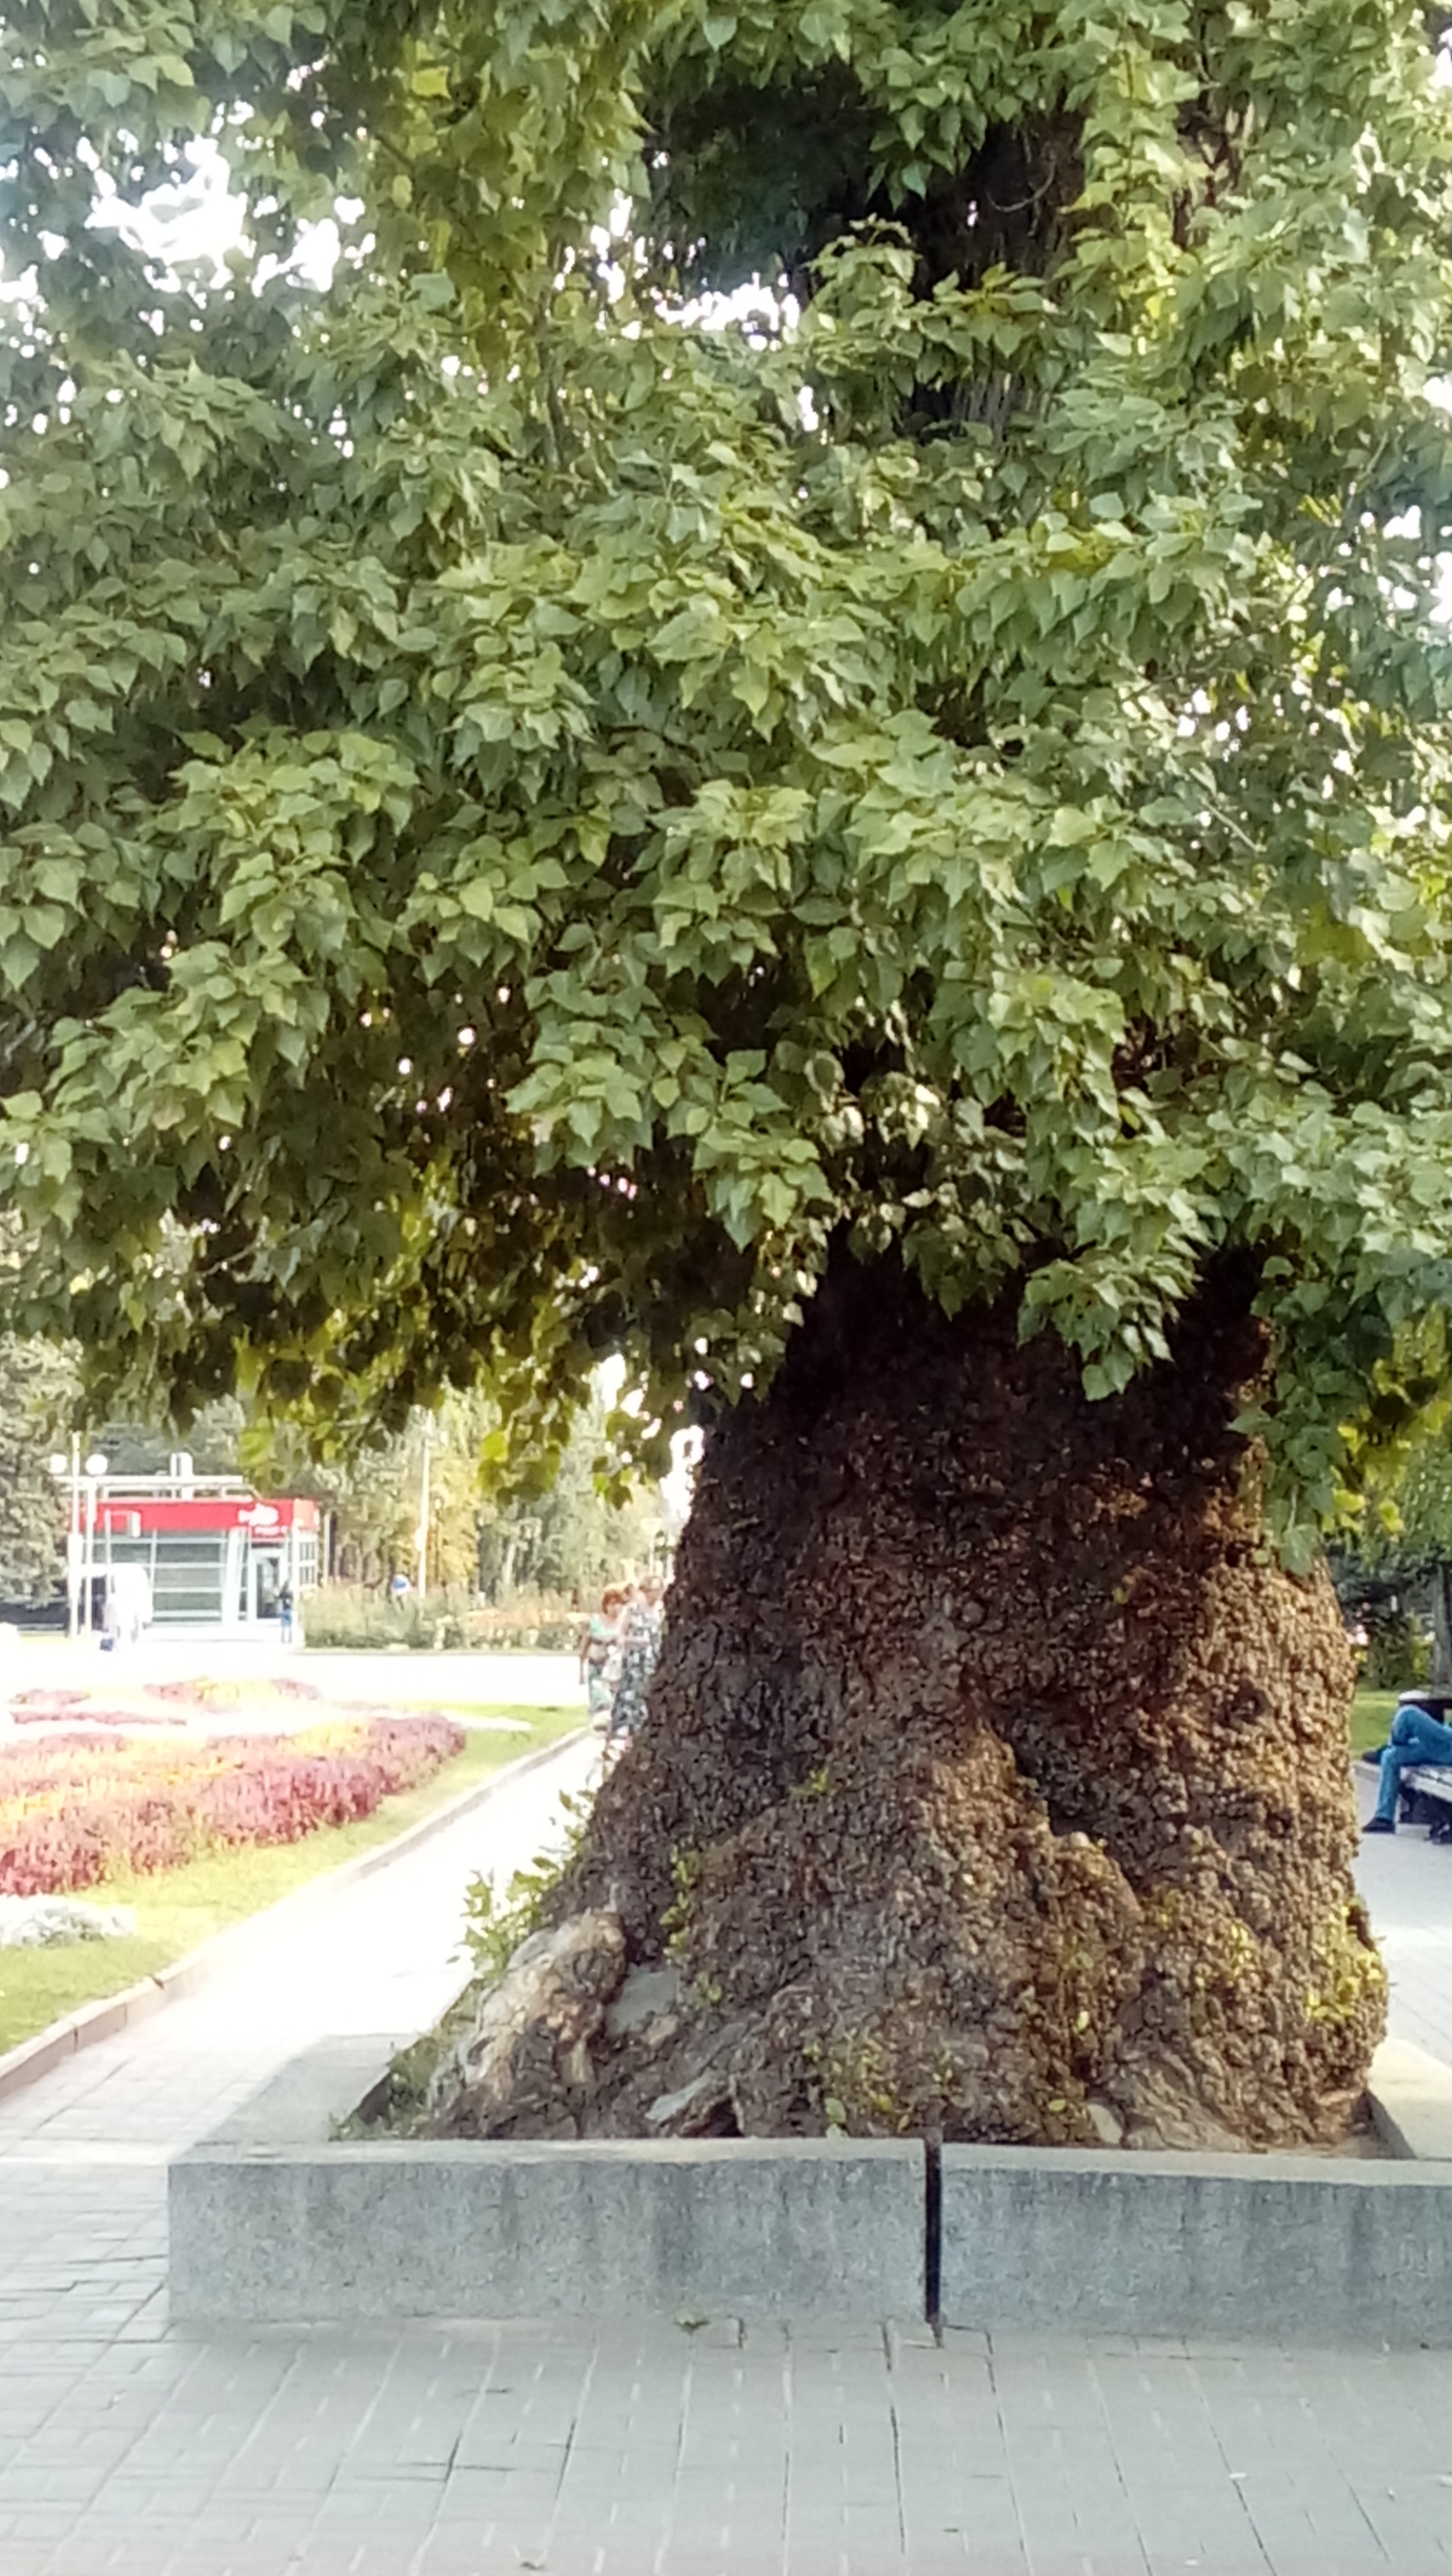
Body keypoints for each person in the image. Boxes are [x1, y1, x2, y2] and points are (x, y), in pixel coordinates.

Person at [1365, 1690, 1452, 1833]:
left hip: (1449, 1744)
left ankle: (1390, 1744)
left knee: (1408, 1713)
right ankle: (1384, 1818)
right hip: (1444, 1744)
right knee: (1391, 1756)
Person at [605, 1576, 664, 1761]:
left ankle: (643, 1743)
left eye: (658, 1591)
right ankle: (620, 1741)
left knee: (648, 1704)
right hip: (634, 1665)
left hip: (653, 1664)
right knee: (629, 1704)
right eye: (653, 1591)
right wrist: (636, 1641)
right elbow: (619, 1635)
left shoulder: (661, 1611)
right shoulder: (632, 1609)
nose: (655, 1595)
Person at [581, 1587, 624, 1731]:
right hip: (597, 1665)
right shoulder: (595, 1621)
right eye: (612, 1603)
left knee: (615, 1702)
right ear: (606, 1605)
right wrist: (581, 1670)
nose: (615, 1608)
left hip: (615, 1669)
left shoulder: (623, 1623)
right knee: (600, 1699)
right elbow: (585, 1646)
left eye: (618, 1604)